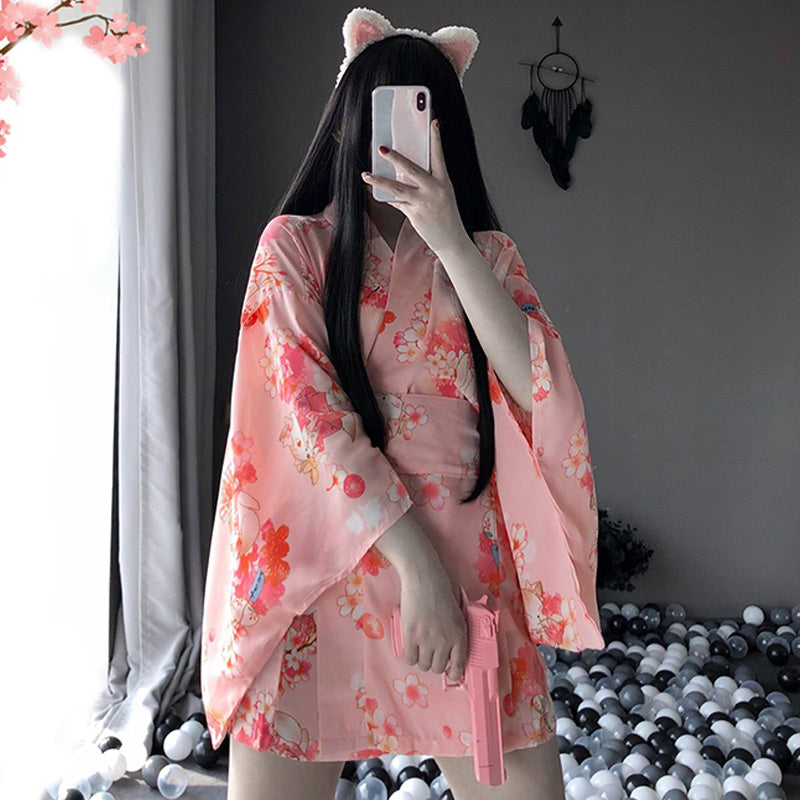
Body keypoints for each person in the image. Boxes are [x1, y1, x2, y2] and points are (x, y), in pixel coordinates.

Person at [200, 7, 605, 800]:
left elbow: (540, 390)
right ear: (348, 119)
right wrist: (415, 566)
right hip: (325, 565)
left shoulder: (487, 255)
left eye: (424, 114)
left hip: (467, 565)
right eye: (382, 110)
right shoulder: (294, 248)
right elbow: (307, 424)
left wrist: (449, 237)